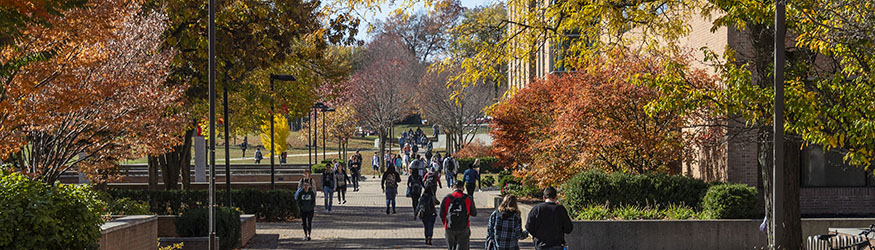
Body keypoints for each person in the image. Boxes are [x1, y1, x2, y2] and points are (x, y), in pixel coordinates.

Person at [440, 182, 477, 250]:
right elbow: (474, 213)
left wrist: (445, 223)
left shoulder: (447, 198)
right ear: (463, 188)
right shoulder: (468, 198)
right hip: (464, 227)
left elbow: (441, 214)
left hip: (449, 227)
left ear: (453, 188)